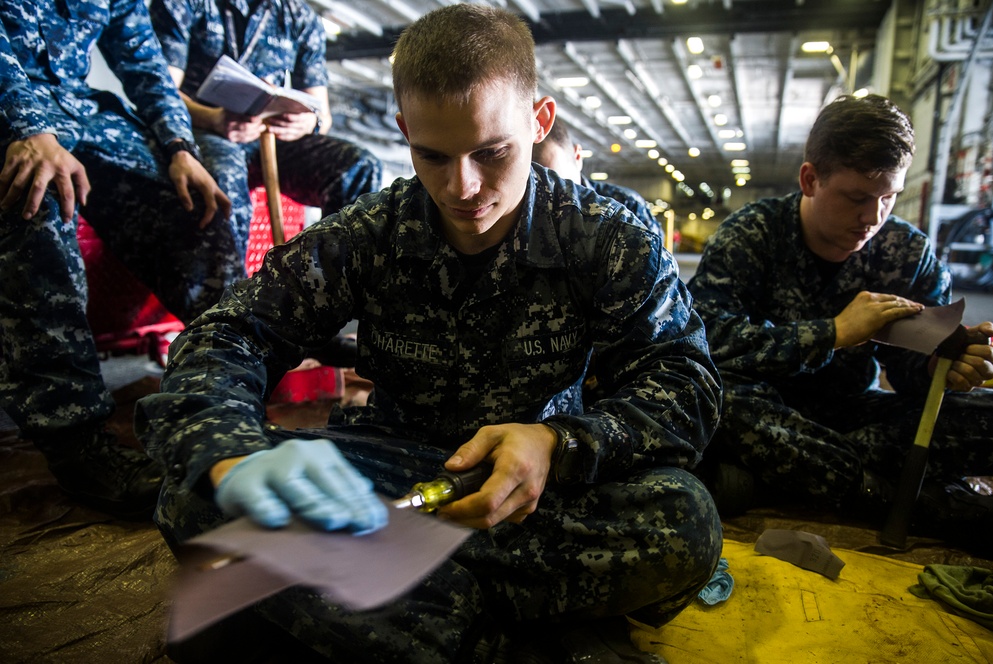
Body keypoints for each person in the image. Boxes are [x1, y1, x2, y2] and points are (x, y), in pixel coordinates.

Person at [136, 4, 724, 662]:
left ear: (539, 121)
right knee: (194, 496)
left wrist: (558, 443)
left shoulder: (603, 234)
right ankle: (493, 639)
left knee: (683, 519)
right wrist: (236, 454)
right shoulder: (370, 232)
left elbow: (685, 383)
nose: (461, 186)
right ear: (404, 131)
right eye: (431, 155)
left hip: (536, 496)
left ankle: (379, 614)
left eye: (491, 152)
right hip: (393, 486)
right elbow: (224, 336)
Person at [687, 93, 993, 549]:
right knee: (714, 398)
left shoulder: (908, 253)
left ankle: (786, 480)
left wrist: (944, 367)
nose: (873, 217)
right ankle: (911, 504)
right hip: (764, 412)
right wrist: (832, 334)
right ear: (810, 179)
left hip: (849, 420)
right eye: (856, 198)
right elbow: (704, 340)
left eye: (889, 198)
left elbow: (913, 374)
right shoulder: (752, 235)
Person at [0, 0, 246, 520]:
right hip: (9, 106)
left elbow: (145, 65)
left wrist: (181, 148)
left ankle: (222, 380)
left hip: (78, 109)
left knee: (196, 199)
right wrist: (25, 128)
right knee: (35, 194)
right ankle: (77, 442)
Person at [149, 0, 383, 268]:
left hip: (273, 138)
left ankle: (331, 286)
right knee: (225, 174)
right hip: (205, 130)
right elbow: (162, 90)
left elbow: (322, 114)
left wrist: (307, 122)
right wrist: (213, 119)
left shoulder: (299, 16)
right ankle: (228, 299)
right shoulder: (186, 3)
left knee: (359, 166)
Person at [533, 116, 665, 244]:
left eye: (559, 185)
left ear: (578, 156)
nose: (549, 199)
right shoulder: (526, 213)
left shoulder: (627, 205)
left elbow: (655, 260)